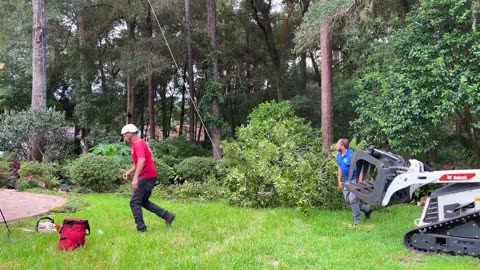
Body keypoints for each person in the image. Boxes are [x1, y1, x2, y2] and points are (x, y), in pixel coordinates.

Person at [121, 124, 176, 232]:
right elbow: (139, 163)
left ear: (130, 134)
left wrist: (135, 178)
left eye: (124, 135)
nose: (123, 137)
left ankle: (141, 228)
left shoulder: (138, 144)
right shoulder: (139, 143)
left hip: (146, 177)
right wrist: (129, 172)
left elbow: (142, 160)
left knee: (135, 202)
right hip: (150, 176)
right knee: (143, 201)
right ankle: (167, 216)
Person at [336, 138, 372, 225]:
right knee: (348, 201)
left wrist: (359, 183)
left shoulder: (352, 155)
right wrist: (339, 181)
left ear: (342, 145)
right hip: (347, 181)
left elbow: (361, 169)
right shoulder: (339, 155)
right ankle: (367, 209)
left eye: (337, 144)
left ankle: (357, 221)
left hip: (355, 180)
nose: (336, 146)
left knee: (352, 200)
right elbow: (340, 168)